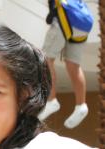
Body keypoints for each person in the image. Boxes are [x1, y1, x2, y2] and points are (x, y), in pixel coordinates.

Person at [38, 0, 90, 128]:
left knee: (45, 59)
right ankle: (81, 105)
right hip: (84, 23)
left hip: (65, 20)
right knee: (73, 65)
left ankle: (51, 100)